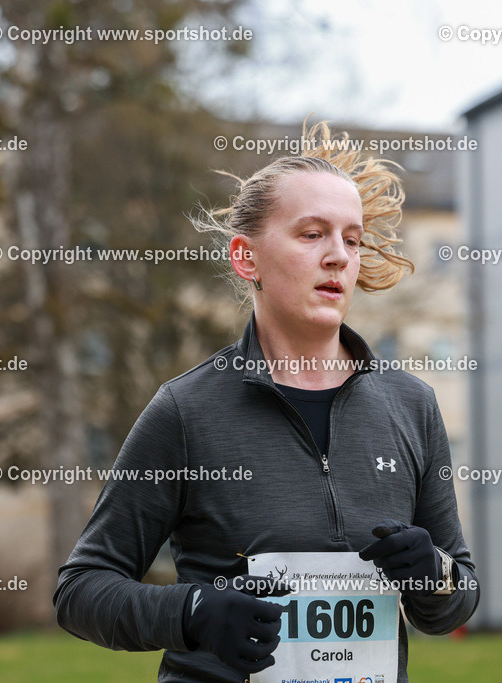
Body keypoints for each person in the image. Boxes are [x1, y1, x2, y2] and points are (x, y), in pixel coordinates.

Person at [53, 121, 479, 682]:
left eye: (351, 239)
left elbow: (455, 599)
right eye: (311, 235)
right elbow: (82, 589)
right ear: (247, 258)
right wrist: (193, 611)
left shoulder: (412, 405)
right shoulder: (186, 410)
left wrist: (436, 574)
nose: (338, 257)